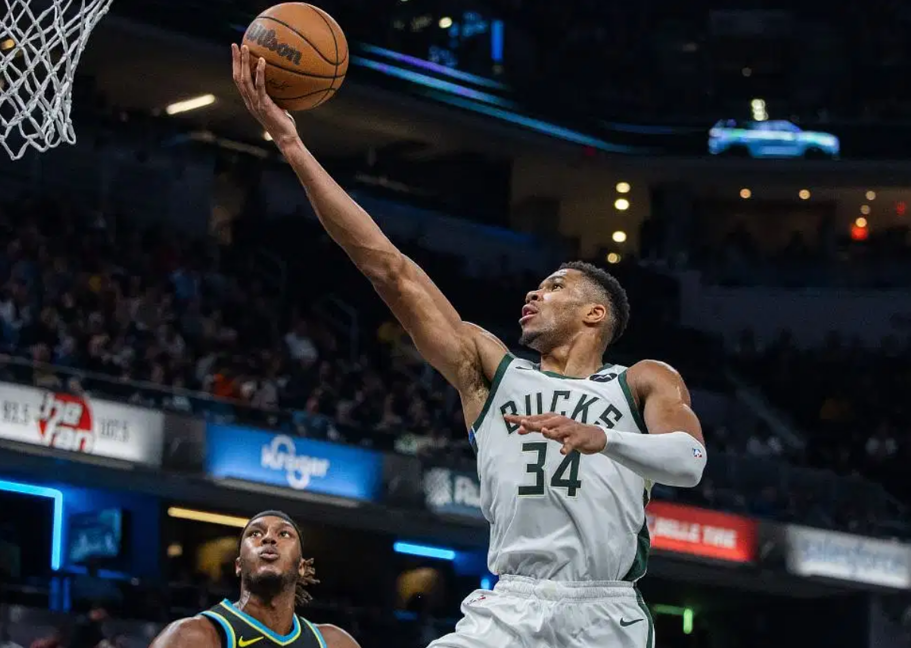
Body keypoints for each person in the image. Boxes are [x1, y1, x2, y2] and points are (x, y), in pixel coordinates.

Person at [231, 45, 708, 648]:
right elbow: (390, 270)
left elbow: (691, 464)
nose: (533, 296)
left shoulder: (640, 381)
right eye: (534, 287)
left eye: (554, 287)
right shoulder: (491, 369)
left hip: (602, 610)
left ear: (596, 313)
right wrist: (293, 145)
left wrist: (606, 439)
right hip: (507, 605)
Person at [148, 511, 359, 648]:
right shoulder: (191, 638)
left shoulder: (334, 643)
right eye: (255, 534)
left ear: (302, 567)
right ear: (238, 565)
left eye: (284, 534)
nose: (268, 538)